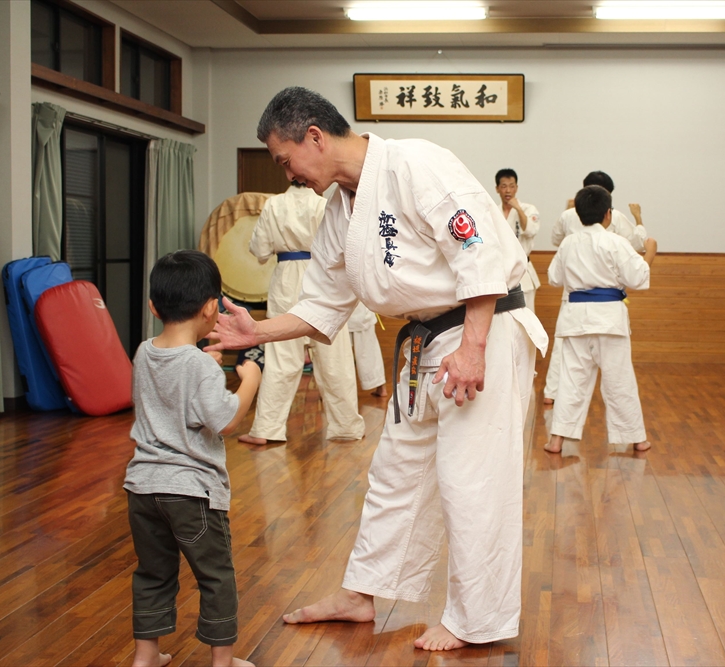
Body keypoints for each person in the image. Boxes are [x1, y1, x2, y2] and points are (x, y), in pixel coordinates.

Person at [207, 87, 547, 652]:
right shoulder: (341, 206)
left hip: (477, 329)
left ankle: (477, 619)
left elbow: (478, 249)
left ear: (314, 136)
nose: (288, 174)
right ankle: (363, 593)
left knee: (472, 481)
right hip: (426, 341)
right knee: (395, 473)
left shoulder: (416, 162)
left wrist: (475, 346)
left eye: (286, 160)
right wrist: (256, 331)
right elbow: (321, 306)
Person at [124, 250, 260, 667]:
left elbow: (172, 386)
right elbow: (225, 421)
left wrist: (203, 365)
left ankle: (145, 656)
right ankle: (223, 661)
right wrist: (250, 379)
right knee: (215, 577)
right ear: (210, 308)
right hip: (192, 493)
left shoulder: (144, 352)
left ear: (153, 306)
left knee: (152, 573)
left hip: (143, 489)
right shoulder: (199, 367)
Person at [238, 183, 366, 446]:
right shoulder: (323, 204)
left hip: (285, 279)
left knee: (281, 359)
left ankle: (266, 428)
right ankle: (346, 426)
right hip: (322, 279)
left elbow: (260, 251)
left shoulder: (274, 204)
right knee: (335, 358)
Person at [544, 185, 655, 455]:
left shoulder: (569, 242)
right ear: (608, 214)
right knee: (619, 381)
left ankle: (557, 440)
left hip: (576, 320)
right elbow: (639, 279)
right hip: (609, 320)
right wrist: (650, 252)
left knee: (571, 381)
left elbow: (554, 278)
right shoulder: (615, 241)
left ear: (578, 214)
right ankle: (637, 439)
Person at [495, 168, 541, 311]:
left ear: (516, 188)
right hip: (500, 270)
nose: (508, 190)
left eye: (511, 186)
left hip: (522, 268)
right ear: (497, 189)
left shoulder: (528, 209)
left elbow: (530, 231)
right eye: (504, 186)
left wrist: (518, 209)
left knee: (528, 313)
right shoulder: (493, 211)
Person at [348, 301, 388, 396]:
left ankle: (336, 391)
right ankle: (381, 388)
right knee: (369, 351)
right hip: (362, 313)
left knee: (341, 356)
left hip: (343, 314)